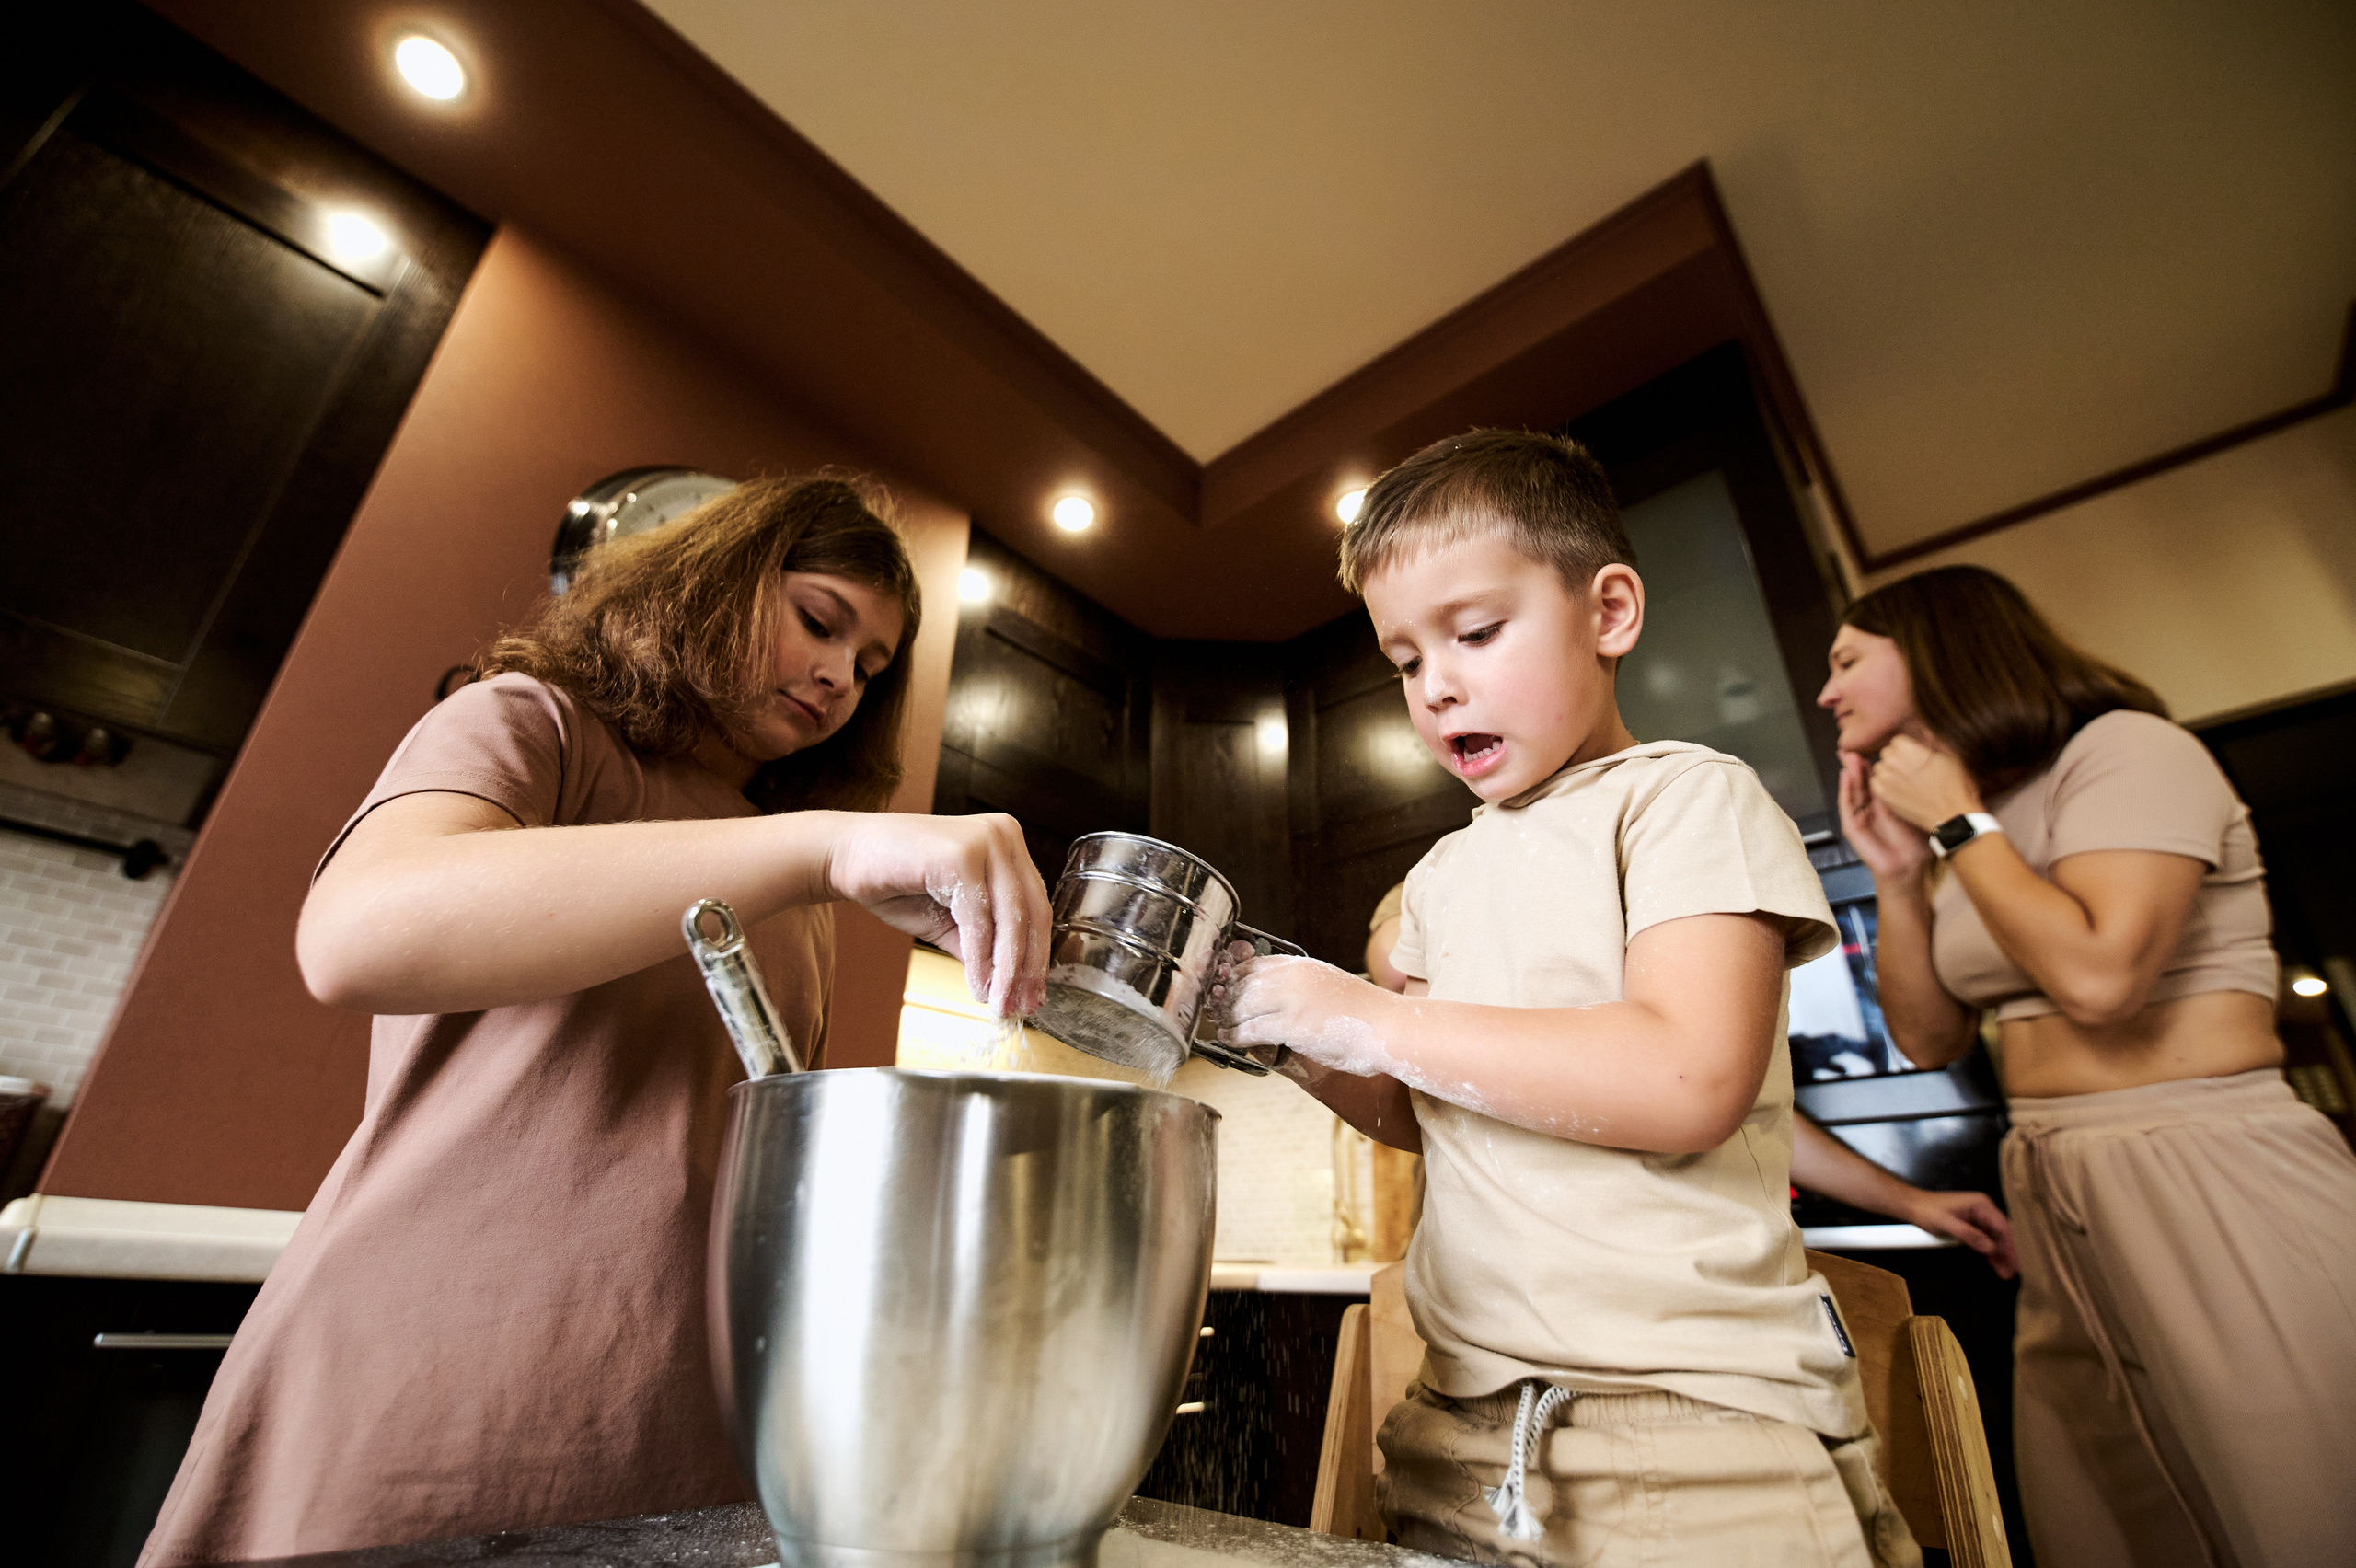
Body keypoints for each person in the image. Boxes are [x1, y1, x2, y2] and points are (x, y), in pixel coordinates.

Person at [140, 476, 1050, 1566]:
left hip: (686, 1422)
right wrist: (818, 848)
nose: (837, 677)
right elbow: (355, 934)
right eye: (819, 620)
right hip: (432, 1383)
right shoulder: (536, 724)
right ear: (714, 581)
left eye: (868, 667)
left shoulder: (796, 883)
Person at [1217, 429, 1918, 1568]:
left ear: (1609, 613)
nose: (1435, 683)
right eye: (1403, 659)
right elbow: (1422, 1112)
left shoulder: (1687, 798)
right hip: (1459, 1423)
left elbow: (1686, 1077)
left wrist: (1368, 1011)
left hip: (1687, 1423)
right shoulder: (1441, 876)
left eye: (1476, 631)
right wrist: (1292, 1038)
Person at [1818, 564, 2356, 1568]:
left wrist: (1957, 825)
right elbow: (1931, 1040)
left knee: (2298, 1493)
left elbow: (2102, 977)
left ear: (1934, 648)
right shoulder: (1968, 817)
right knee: (2113, 1503)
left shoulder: (2127, 750)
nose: (1826, 690)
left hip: (2204, 1152)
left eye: (1847, 660)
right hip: (2048, 1169)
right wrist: (1897, 877)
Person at [1370, 882, 2015, 1278]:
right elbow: (1393, 971)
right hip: (1482, 1282)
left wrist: (1912, 1203)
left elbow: (1720, 1099)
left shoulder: (1626, 937)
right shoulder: (1437, 886)